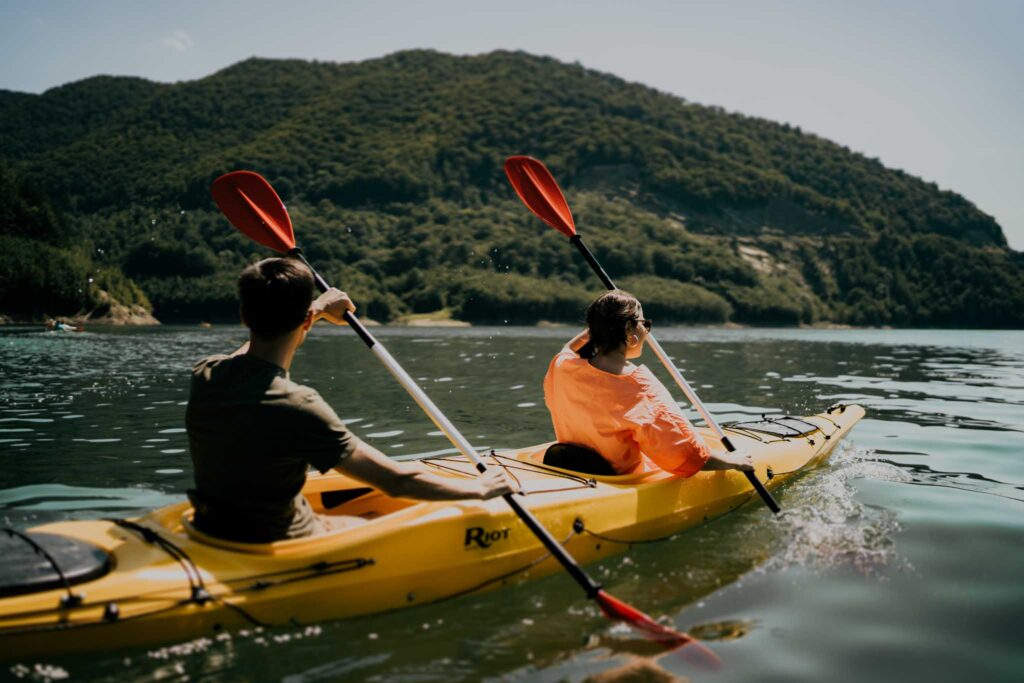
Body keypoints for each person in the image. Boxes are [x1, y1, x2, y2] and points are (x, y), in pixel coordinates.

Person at [186, 257, 514, 543]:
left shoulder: (206, 374)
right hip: (280, 537)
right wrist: (481, 488)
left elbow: (249, 356)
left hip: (211, 526)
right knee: (373, 517)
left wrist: (314, 310)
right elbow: (396, 482)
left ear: (245, 315)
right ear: (303, 321)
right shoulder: (297, 405)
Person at [543, 289, 753, 477]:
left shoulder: (563, 367)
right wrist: (732, 461)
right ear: (628, 328)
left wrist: (602, 325)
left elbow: (568, 348)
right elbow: (686, 456)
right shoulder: (639, 389)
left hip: (571, 468)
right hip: (619, 482)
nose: (647, 330)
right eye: (645, 324)